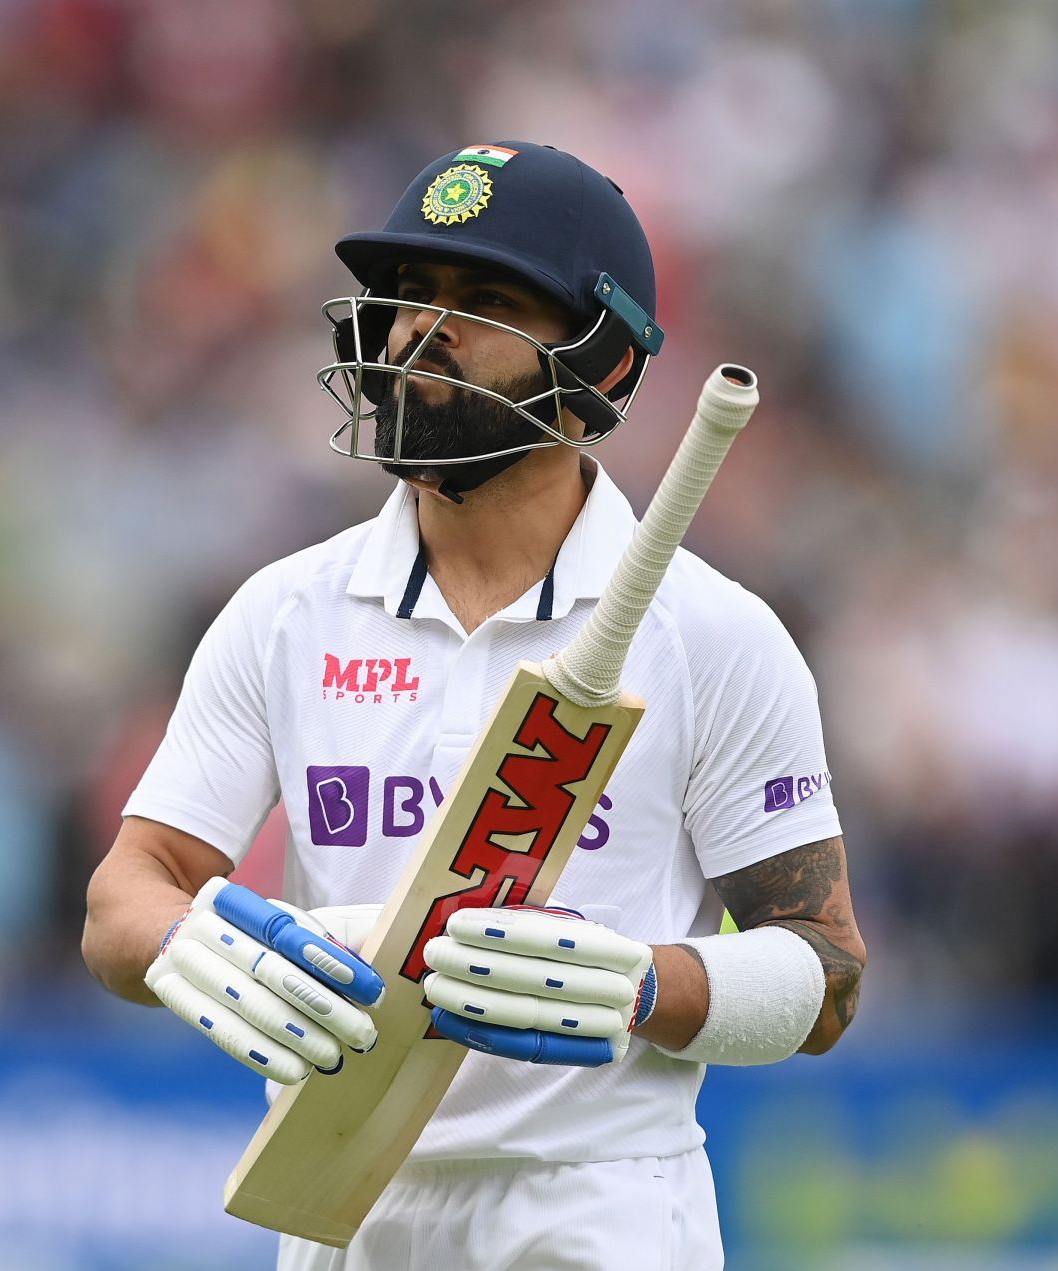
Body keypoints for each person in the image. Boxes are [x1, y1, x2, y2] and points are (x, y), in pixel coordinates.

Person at [82, 141, 866, 1271]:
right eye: (410, 295)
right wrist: (197, 948)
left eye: (485, 300)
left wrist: (642, 983)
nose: (419, 328)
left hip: (598, 1206)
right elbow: (124, 892)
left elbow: (828, 977)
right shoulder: (285, 612)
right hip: (338, 1197)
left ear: (600, 359)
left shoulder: (715, 633)